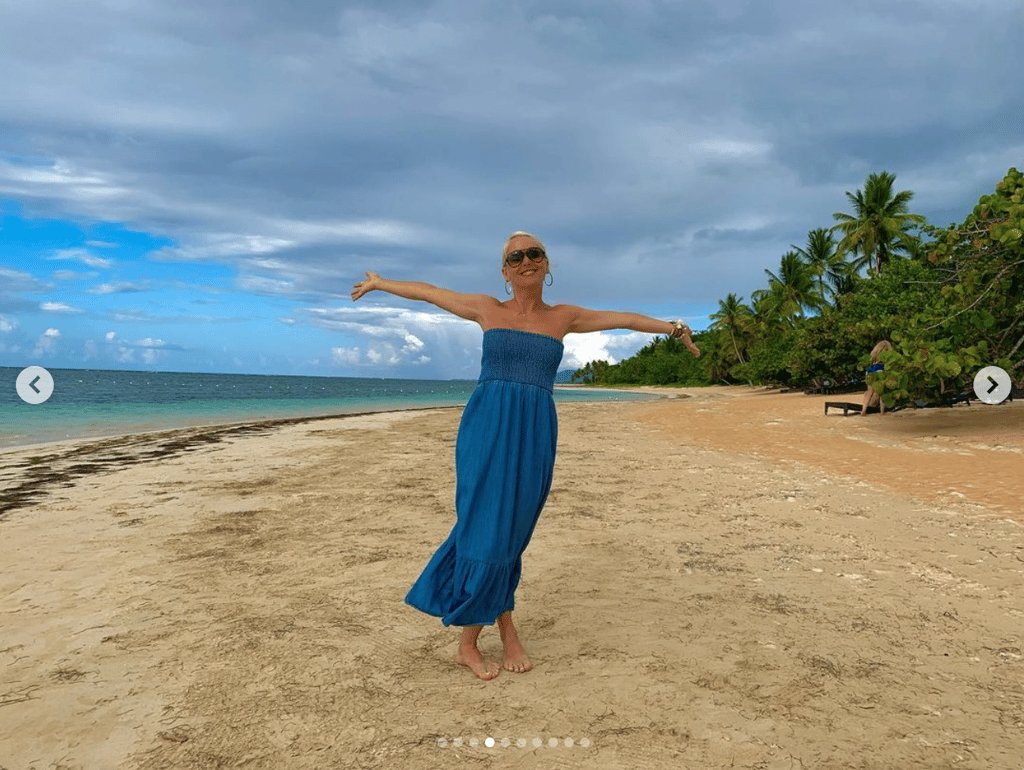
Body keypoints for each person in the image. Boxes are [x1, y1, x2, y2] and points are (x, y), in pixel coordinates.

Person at [350, 231, 700, 680]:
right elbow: (431, 294)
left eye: (534, 253)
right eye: (516, 256)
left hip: (535, 431)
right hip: (486, 428)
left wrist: (674, 328)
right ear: (505, 270)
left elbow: (624, 319)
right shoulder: (486, 308)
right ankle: (478, 640)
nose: (526, 261)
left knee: (512, 534)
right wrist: (381, 283)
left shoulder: (564, 317)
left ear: (547, 264)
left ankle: (494, 630)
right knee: (483, 528)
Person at [860, 339, 893, 416]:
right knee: (881, 392)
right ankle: (882, 412)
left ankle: (863, 410)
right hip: (879, 370)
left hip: (870, 371)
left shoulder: (875, 353)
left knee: (869, 392)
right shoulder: (886, 351)